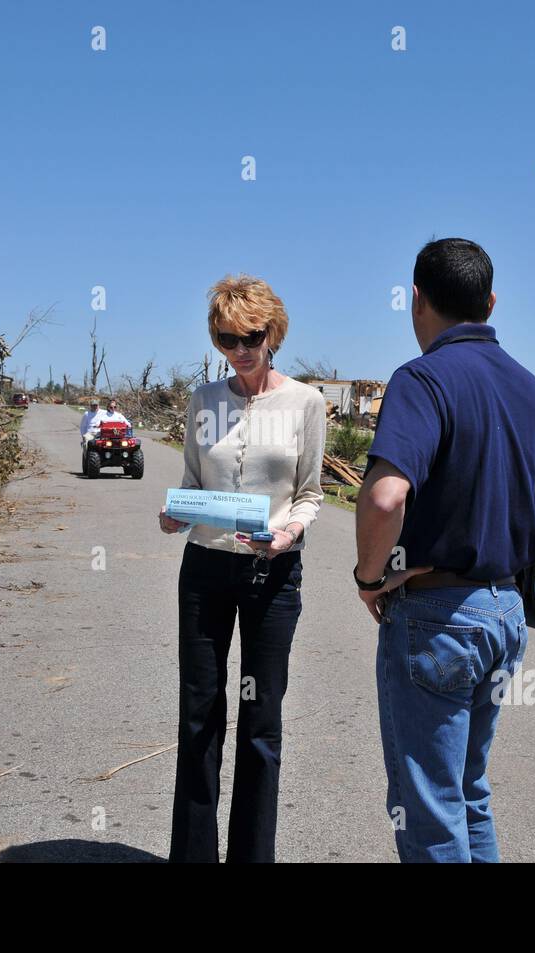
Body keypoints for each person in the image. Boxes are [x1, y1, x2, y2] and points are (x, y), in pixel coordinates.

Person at [354, 238, 535, 863]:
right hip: (505, 613)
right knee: (469, 794)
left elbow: (386, 499)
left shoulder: (422, 379)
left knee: (429, 809)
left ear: (416, 300)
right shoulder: (533, 391)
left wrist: (369, 577)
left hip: (439, 618)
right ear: (490, 302)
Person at [157, 274, 325, 863]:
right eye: (228, 339)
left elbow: (310, 493)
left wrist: (288, 532)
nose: (241, 349)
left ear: (272, 332)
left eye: (251, 336)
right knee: (199, 715)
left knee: (261, 723)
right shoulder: (204, 400)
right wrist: (177, 513)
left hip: (271, 576)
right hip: (205, 569)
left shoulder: (306, 402)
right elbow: (192, 483)